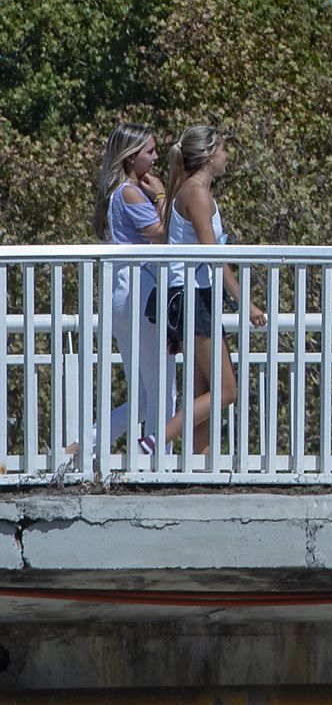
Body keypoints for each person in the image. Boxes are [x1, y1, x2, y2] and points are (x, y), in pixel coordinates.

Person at [153, 126, 266, 455]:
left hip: (194, 294)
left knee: (203, 389)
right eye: (223, 150)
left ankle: (200, 466)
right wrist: (245, 303)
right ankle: (148, 445)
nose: (227, 156)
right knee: (226, 390)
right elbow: (213, 255)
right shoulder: (196, 193)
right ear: (209, 155)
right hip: (190, 296)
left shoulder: (192, 191)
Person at [70, 123, 177, 459]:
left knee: (144, 398)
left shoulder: (115, 193)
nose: (155, 157)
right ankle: (158, 465)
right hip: (140, 294)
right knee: (163, 390)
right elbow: (164, 235)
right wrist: (161, 193)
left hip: (123, 297)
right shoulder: (130, 193)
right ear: (131, 159)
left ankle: (80, 447)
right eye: (150, 152)